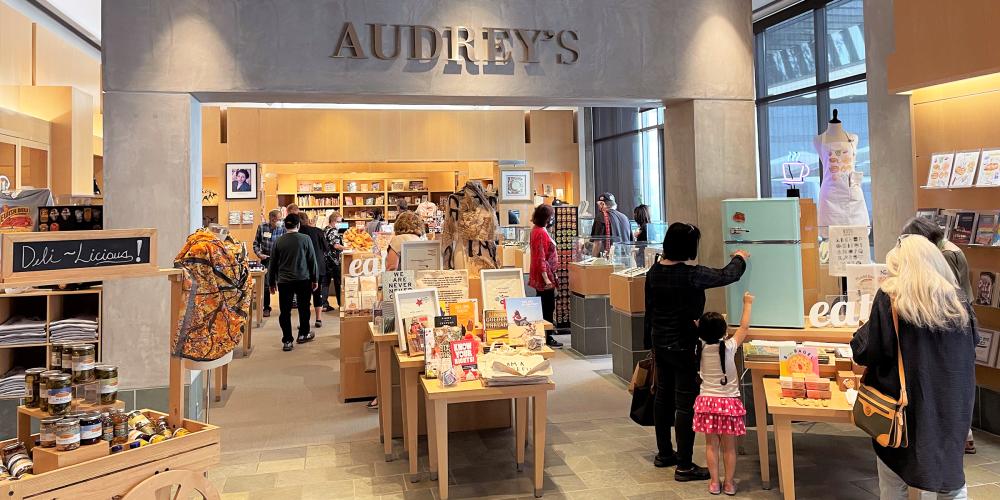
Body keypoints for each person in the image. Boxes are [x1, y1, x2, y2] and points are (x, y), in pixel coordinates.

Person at [851, 234, 976, 499]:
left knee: (893, 476)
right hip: (953, 402)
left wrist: (863, 327)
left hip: (905, 407)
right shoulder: (958, 299)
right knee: (951, 477)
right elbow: (972, 343)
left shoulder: (891, 298)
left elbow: (865, 351)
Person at [643, 222, 748, 481]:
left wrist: (651, 341)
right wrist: (739, 258)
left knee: (662, 397)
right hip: (683, 346)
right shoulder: (692, 274)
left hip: (660, 342)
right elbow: (728, 275)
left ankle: (665, 454)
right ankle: (685, 466)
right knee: (685, 404)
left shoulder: (653, 272)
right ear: (689, 247)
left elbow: (649, 310)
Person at [900, 217, 978, 454]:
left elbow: (944, 291)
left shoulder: (944, 255)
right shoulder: (949, 249)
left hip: (950, 324)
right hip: (958, 322)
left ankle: (962, 435)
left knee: (949, 380)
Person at [694, 292, 753, 496]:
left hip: (706, 403)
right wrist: (747, 303)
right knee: (729, 447)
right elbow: (744, 327)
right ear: (724, 331)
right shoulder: (729, 347)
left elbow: (698, 329)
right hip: (728, 403)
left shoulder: (699, 348)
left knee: (711, 445)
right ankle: (728, 483)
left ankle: (713, 483)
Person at [268, 213, 318, 351]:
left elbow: (272, 263)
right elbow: (312, 260)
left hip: (284, 281)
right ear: (299, 225)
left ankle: (287, 340)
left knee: (285, 311)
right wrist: (315, 279)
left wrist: (271, 282)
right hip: (303, 279)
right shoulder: (305, 239)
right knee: (304, 308)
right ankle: (303, 334)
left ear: (285, 225)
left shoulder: (279, 241)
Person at [528, 204, 562, 348]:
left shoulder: (537, 230)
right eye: (550, 216)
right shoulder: (541, 232)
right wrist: (547, 279)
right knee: (547, 307)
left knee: (544, 306)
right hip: (544, 276)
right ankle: (547, 337)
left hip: (543, 274)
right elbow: (541, 257)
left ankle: (544, 336)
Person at [252, 209, 285, 317]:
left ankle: (284, 307)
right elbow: (256, 243)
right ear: (272, 219)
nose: (280, 221)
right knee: (266, 284)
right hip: (266, 258)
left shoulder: (283, 228)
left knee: (282, 283)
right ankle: (266, 307)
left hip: (281, 260)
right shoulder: (262, 227)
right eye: (278, 219)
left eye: (280, 219)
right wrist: (259, 254)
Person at [299, 215, 330, 328]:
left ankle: (305, 322)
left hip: (303, 267)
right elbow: (326, 248)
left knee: (304, 296)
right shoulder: (318, 231)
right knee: (318, 293)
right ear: (308, 220)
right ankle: (318, 319)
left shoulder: (298, 233)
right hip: (318, 265)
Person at [323, 211, 346, 311]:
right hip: (334, 260)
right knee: (338, 282)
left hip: (325, 259)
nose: (340, 224)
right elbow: (336, 245)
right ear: (333, 221)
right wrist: (347, 248)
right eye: (339, 222)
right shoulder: (333, 231)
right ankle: (341, 303)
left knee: (325, 282)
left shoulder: (325, 229)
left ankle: (324, 304)